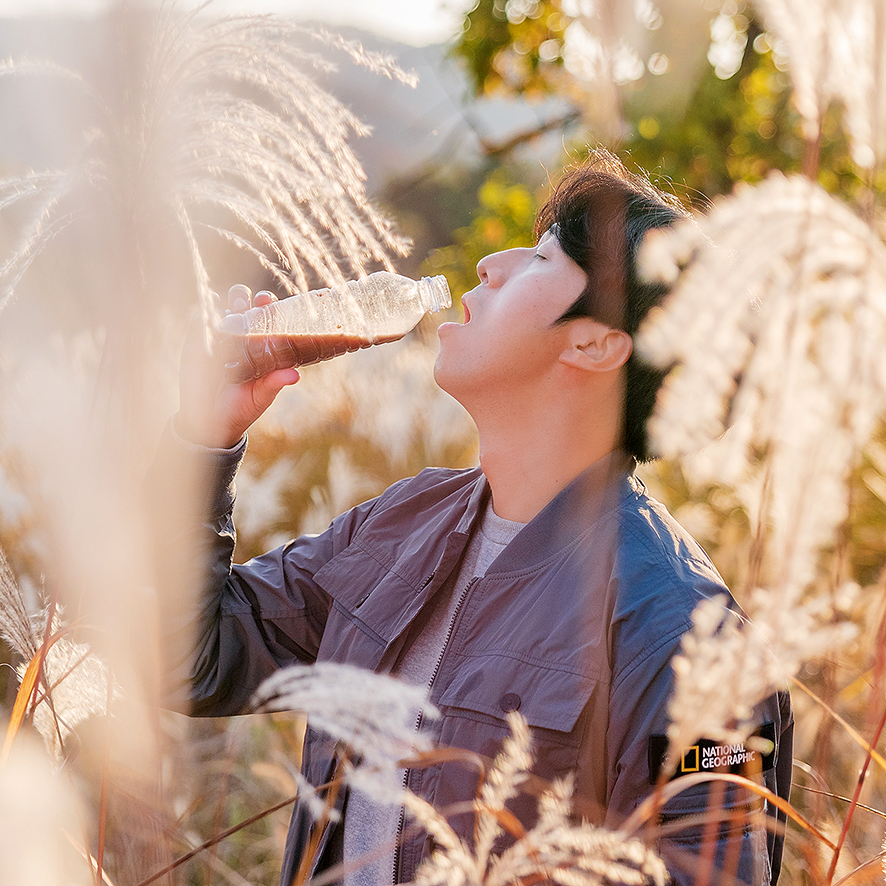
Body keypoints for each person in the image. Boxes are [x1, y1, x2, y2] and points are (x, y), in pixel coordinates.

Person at [152, 151, 792, 886]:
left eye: (543, 258)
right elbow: (189, 665)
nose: (490, 263)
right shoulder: (400, 527)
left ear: (595, 341)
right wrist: (204, 438)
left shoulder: (685, 637)